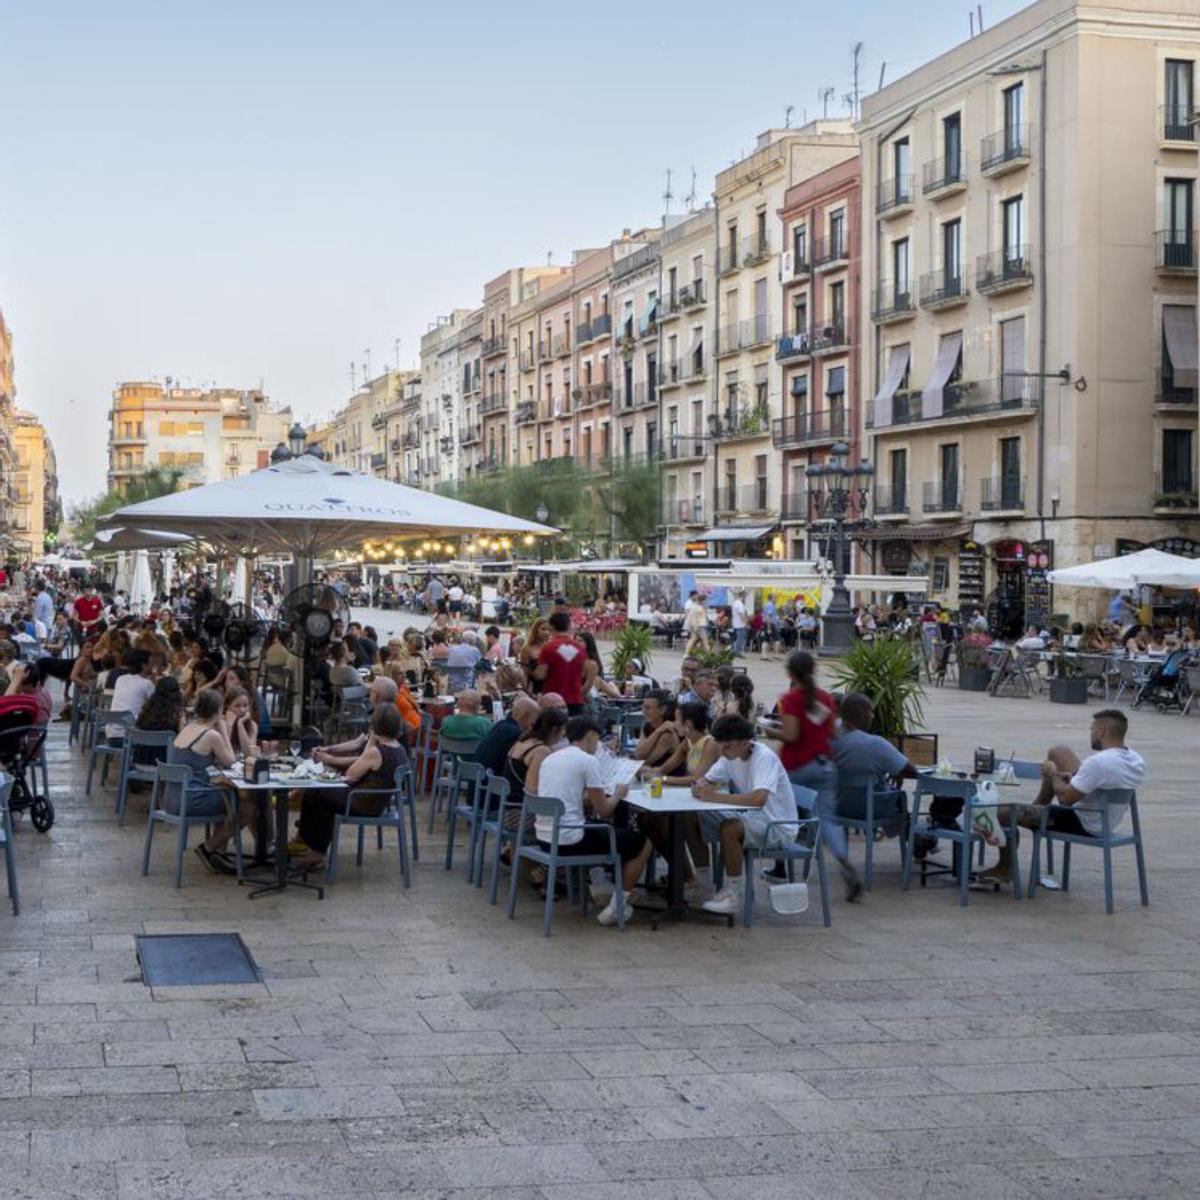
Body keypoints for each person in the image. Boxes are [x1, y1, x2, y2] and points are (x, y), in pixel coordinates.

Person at [983, 709, 1146, 884]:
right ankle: (1039, 807)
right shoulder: (1135, 760)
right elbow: (1102, 783)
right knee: (1058, 751)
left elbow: (1065, 800)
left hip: (1083, 823)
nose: (1090, 734)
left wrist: (1052, 774)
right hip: (1106, 820)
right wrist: (1073, 779)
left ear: (1102, 731)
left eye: (1092, 730)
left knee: (1001, 812)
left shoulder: (1099, 762)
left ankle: (1006, 868)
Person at [528, 715, 652, 926]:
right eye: (597, 739)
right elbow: (604, 811)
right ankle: (617, 905)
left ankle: (606, 888)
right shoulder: (588, 761)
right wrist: (618, 795)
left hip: (545, 836)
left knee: (614, 834)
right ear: (590, 736)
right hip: (570, 839)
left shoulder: (551, 758)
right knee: (643, 843)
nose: (598, 744)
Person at [692, 714, 806, 915]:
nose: (722, 750)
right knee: (691, 816)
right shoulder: (730, 756)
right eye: (720, 745)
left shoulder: (764, 758)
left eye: (727, 746)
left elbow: (757, 799)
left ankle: (733, 894)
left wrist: (713, 797)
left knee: (730, 828)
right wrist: (700, 786)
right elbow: (707, 780)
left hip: (778, 826)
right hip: (752, 817)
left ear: (745, 743)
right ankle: (704, 884)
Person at [772, 650, 861, 900]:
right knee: (828, 819)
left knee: (781, 812)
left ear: (790, 673)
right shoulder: (825, 699)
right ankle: (844, 863)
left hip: (796, 766)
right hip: (824, 766)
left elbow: (791, 735)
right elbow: (833, 734)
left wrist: (770, 731)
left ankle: (780, 866)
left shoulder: (789, 699)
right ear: (814, 670)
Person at [292, 705, 410, 872]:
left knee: (315, 792)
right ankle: (308, 842)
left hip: (361, 802)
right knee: (319, 796)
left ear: (376, 724)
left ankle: (314, 850)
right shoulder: (399, 749)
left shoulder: (376, 752)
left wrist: (371, 740)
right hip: (377, 801)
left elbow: (351, 773)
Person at [168, 688, 255, 875]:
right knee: (247, 806)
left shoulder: (187, 728)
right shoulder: (210, 735)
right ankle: (209, 847)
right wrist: (225, 729)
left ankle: (218, 852)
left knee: (227, 794)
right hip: (193, 799)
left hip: (172, 798)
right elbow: (231, 762)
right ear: (219, 710)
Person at [473, 693, 539, 779]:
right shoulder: (516, 733)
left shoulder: (500, 725)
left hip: (478, 779)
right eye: (533, 721)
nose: (532, 725)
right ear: (526, 716)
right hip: (491, 785)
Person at [533, 611, 587, 714]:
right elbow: (583, 673)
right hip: (576, 699)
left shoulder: (548, 647)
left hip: (554, 700)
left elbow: (540, 675)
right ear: (568, 625)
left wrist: (530, 671)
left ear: (551, 627)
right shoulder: (580, 647)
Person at [107, 649, 155, 744]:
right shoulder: (146, 684)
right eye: (150, 664)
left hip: (112, 735)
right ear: (143, 665)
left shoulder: (120, 679)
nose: (152, 667)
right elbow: (156, 705)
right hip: (132, 737)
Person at [633, 690, 679, 770]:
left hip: (669, 778)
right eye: (643, 707)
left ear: (662, 710)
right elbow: (639, 754)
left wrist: (659, 731)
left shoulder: (669, 732)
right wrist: (658, 731)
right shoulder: (647, 726)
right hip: (653, 775)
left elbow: (644, 760)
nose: (644, 711)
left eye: (648, 708)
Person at [223, 688, 259, 757]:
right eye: (237, 706)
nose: (242, 710)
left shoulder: (252, 725)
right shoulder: (221, 723)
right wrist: (229, 725)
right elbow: (223, 751)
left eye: (245, 705)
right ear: (227, 706)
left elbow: (249, 754)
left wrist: (240, 724)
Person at [730, 591, 749, 656]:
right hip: (740, 624)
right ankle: (738, 652)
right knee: (740, 639)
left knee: (737, 638)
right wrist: (746, 623)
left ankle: (735, 651)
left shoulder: (735, 603)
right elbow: (741, 615)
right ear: (743, 596)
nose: (745, 598)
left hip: (736, 624)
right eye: (745, 596)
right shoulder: (739, 604)